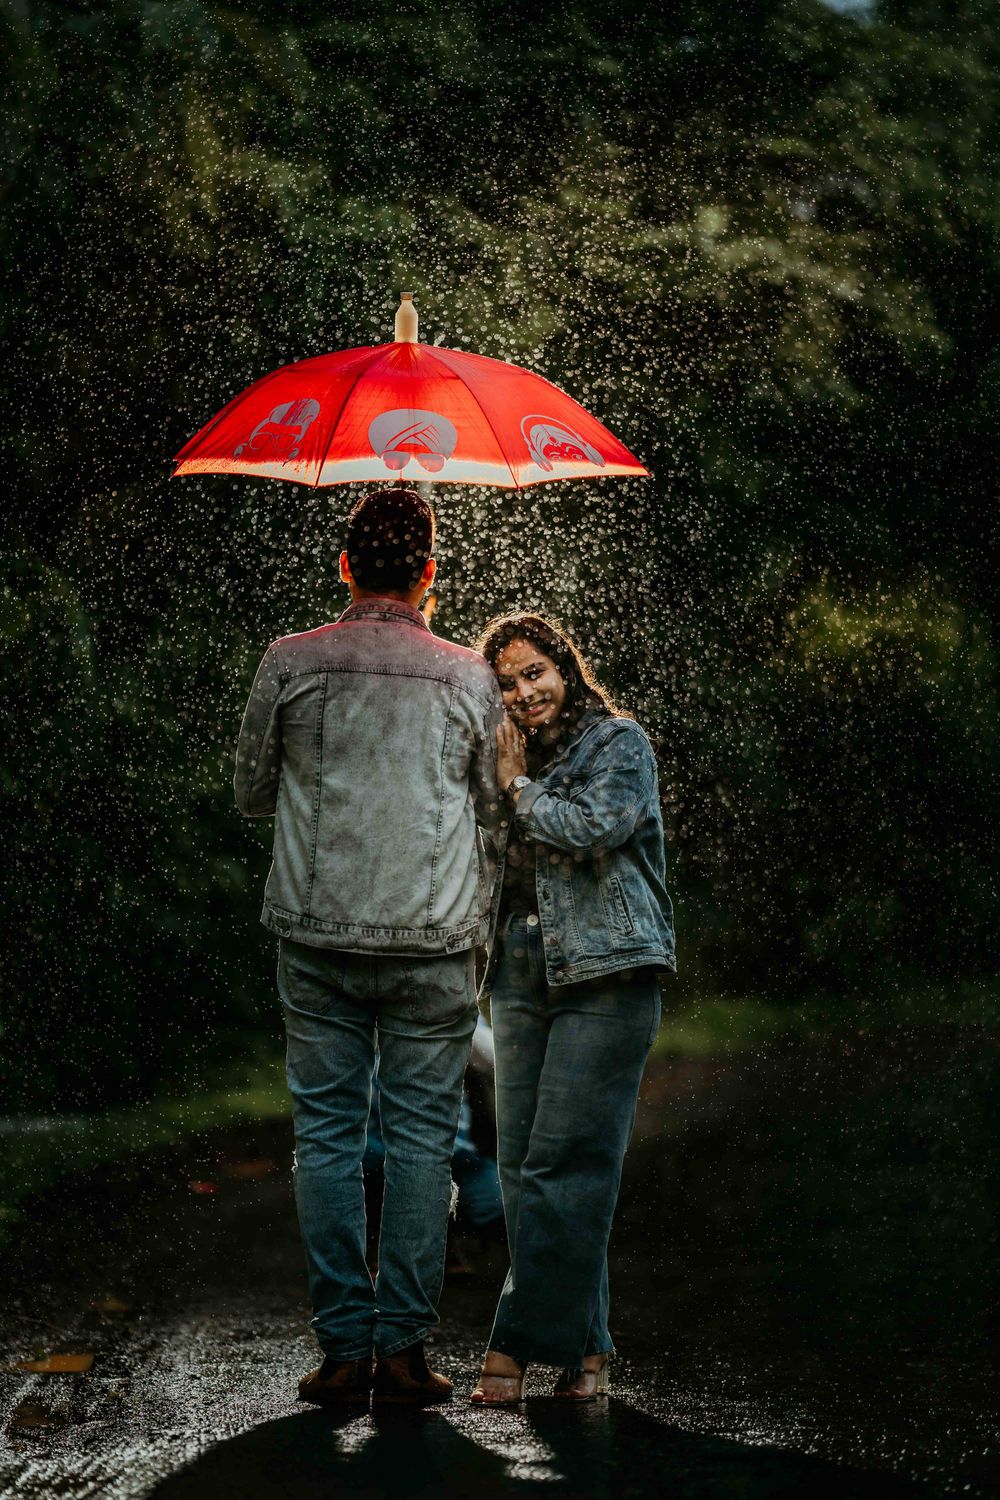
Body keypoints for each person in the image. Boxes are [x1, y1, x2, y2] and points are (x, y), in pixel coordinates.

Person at [234, 487, 503, 1406]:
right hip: (435, 939)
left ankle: (343, 1348)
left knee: (328, 1138)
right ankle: (404, 1352)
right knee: (426, 1144)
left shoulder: (290, 660)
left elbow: (250, 789)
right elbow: (497, 810)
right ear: (432, 573)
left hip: (315, 933)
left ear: (344, 566)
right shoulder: (471, 676)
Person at [469, 614, 675, 1405]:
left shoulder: (618, 744)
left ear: (565, 667)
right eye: (509, 683)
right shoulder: (505, 759)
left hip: (608, 973)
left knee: (567, 1166)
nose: (523, 693)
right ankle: (589, 1351)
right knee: (523, 1171)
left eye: (535, 673)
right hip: (519, 975)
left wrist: (518, 787)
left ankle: (514, 1349)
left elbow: (594, 829)